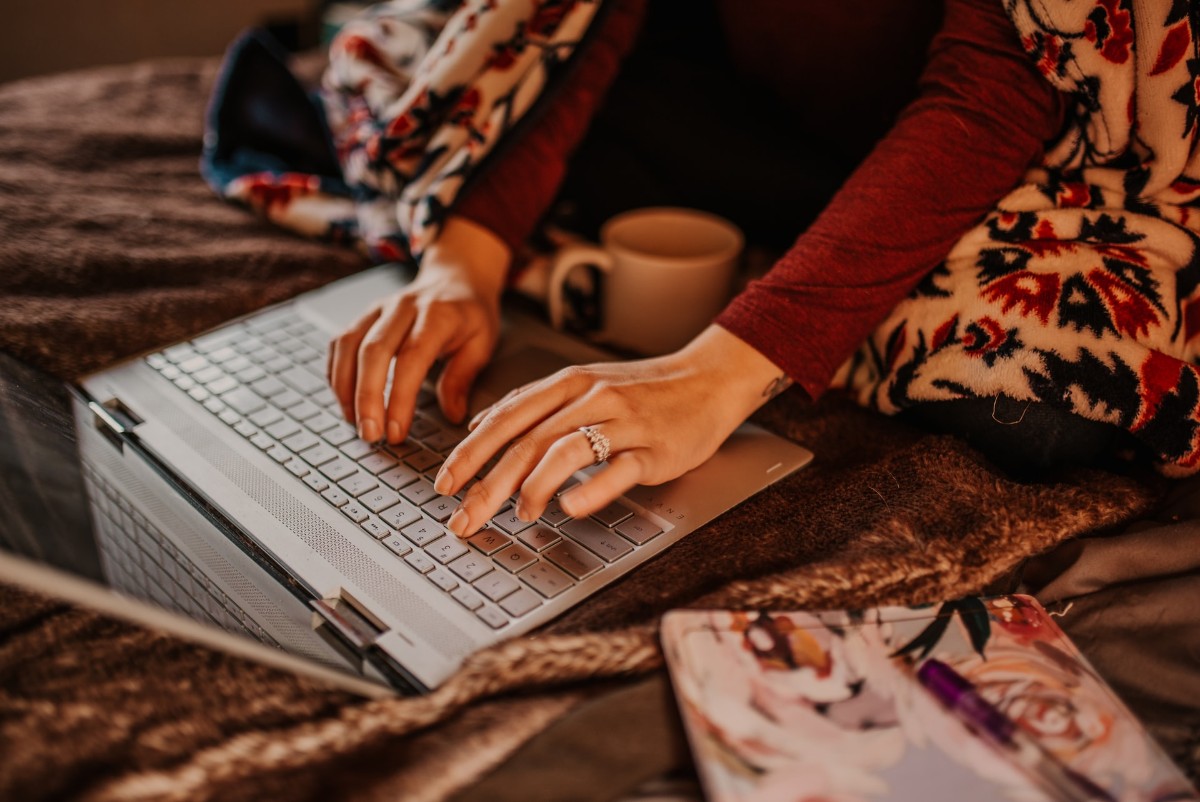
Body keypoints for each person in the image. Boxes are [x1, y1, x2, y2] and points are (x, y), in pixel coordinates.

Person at [325, 0, 1181, 538]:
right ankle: (811, 264)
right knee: (432, 76)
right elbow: (583, 21)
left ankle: (799, 273)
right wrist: (462, 258)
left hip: (985, 150)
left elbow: (995, 89)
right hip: (748, 118)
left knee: (1055, 391)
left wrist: (720, 372)